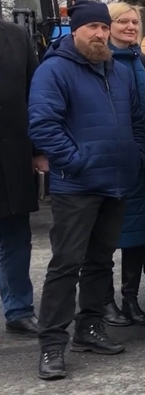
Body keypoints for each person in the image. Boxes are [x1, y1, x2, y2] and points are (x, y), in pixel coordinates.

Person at [29, 0, 145, 380]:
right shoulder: (55, 70)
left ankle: (90, 328)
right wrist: (78, 162)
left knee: (100, 262)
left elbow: (136, 121)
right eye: (91, 27)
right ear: (74, 30)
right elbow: (44, 126)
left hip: (117, 182)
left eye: (102, 27)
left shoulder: (118, 70)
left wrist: (134, 156)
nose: (98, 34)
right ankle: (51, 344)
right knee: (66, 264)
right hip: (76, 186)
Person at [104, 3, 145, 328]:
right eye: (122, 21)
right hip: (111, 159)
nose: (130, 26)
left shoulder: (142, 59)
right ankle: (104, 301)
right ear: (108, 26)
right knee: (104, 239)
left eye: (135, 21)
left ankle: (131, 298)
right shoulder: (101, 59)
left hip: (141, 156)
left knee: (137, 234)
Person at [0, 21, 43, 337]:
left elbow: (34, 94)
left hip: (12, 156)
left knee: (16, 236)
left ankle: (18, 309)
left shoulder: (16, 36)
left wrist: (39, 150)